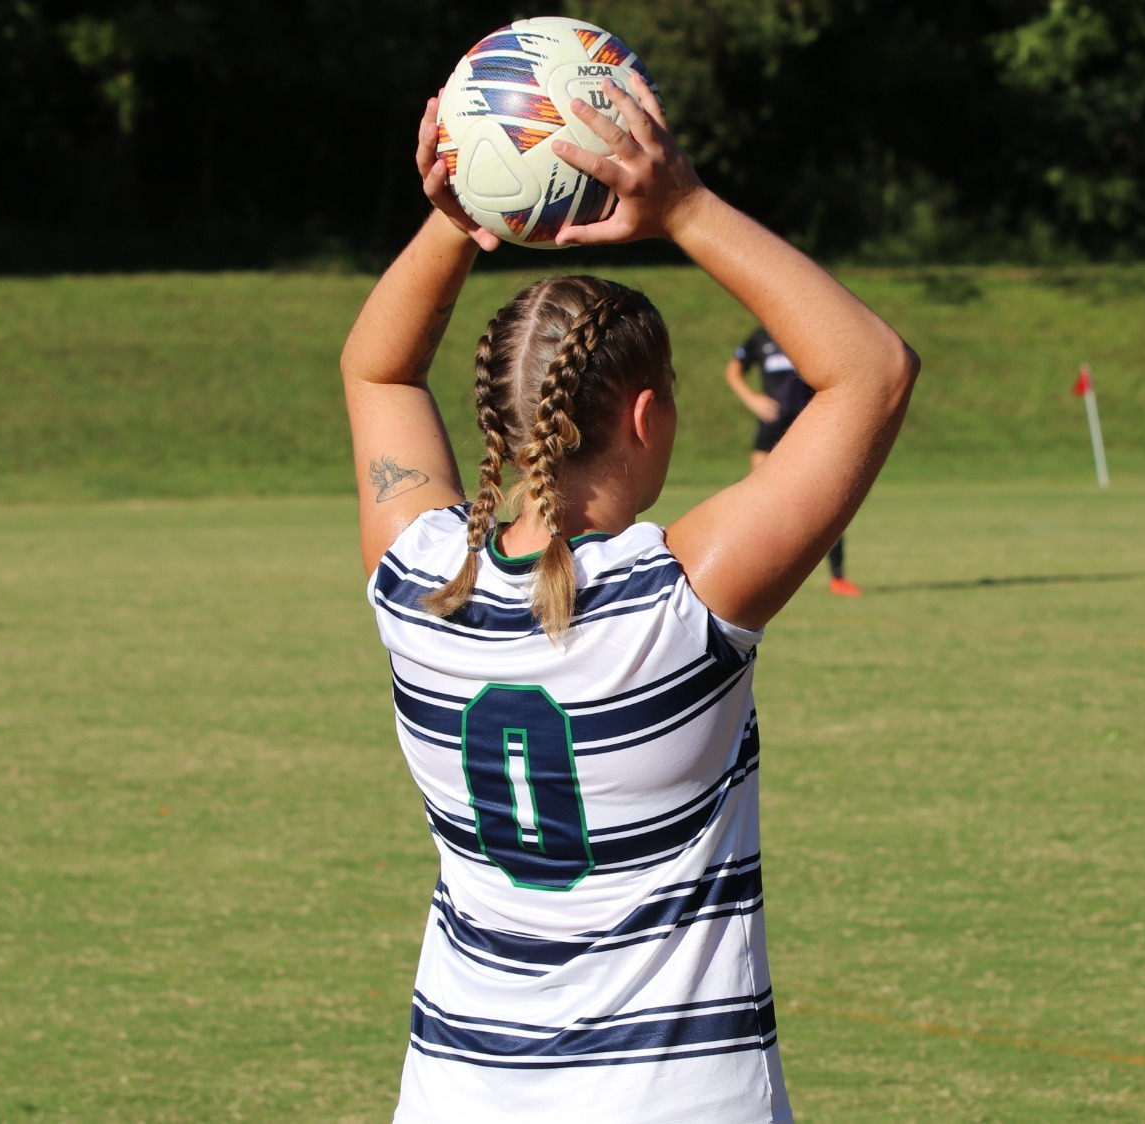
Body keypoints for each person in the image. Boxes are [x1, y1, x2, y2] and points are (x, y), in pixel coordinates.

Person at [338, 76, 917, 1122]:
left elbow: (377, 375)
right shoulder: (678, 602)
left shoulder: (419, 582)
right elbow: (870, 371)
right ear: (646, 415)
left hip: (459, 1094)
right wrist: (683, 207)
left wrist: (452, 220)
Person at [724, 329, 861, 595]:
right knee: (761, 502)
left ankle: (838, 577)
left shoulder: (807, 332)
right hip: (771, 427)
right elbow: (733, 370)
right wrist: (752, 398)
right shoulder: (759, 338)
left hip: (809, 426)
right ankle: (757, 576)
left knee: (827, 500)